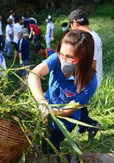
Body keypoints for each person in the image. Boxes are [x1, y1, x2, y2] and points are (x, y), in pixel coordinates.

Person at [28, 30, 98, 154]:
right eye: (62, 54)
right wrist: (42, 102)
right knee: (43, 141)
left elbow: (68, 110)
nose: (64, 59)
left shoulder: (90, 83)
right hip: (46, 107)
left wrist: (51, 112)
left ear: (83, 58)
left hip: (64, 121)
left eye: (70, 57)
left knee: (49, 145)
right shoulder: (56, 58)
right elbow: (34, 75)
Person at [68, 9, 103, 138]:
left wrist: (82, 82)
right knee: (80, 104)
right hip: (90, 77)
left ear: (75, 23)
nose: (72, 29)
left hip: (88, 78)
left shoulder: (89, 38)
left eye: (71, 25)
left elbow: (92, 63)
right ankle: (83, 128)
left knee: (74, 104)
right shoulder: (95, 35)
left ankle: (92, 124)